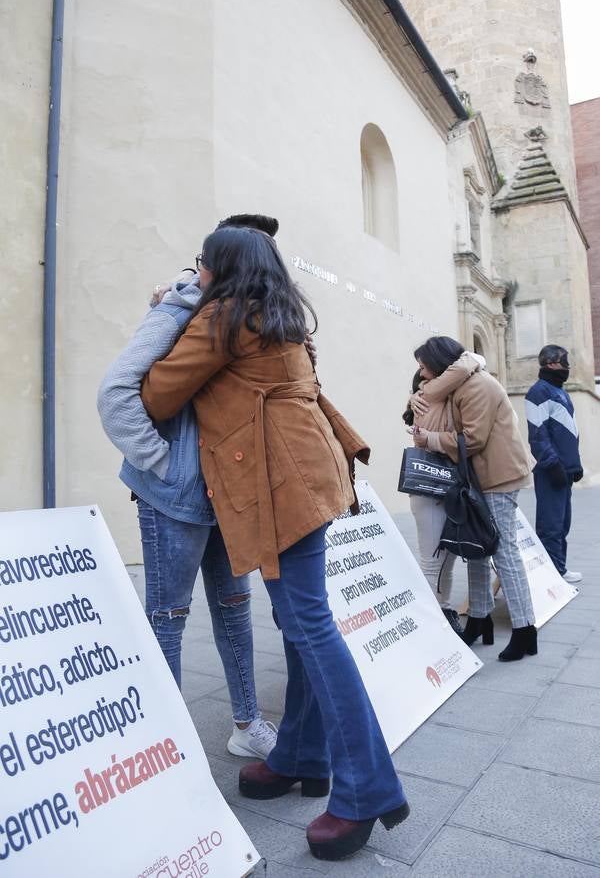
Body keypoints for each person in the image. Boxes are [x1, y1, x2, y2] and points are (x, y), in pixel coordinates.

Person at [140, 226, 409, 861]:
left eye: (201, 263)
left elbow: (156, 393)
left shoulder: (224, 317)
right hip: (311, 470)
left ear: (222, 270)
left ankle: (367, 788)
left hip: (283, 479)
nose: (196, 273)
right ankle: (302, 754)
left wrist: (167, 310)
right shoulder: (281, 311)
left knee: (309, 623)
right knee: (301, 621)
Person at [97, 214, 280, 760]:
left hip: (225, 492)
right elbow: (115, 392)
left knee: (233, 606)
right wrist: (162, 464)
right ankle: (167, 739)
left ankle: (247, 724)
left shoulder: (242, 316)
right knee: (169, 616)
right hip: (173, 496)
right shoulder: (178, 311)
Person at [410, 336, 538, 662]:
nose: (422, 373)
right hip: (480, 479)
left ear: (440, 364)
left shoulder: (477, 386)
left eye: (424, 366)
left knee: (503, 551)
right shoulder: (462, 384)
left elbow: (474, 439)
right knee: (477, 550)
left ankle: (525, 631)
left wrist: (432, 439)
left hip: (498, 477)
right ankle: (479, 619)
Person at [402, 346, 482, 635]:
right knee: (432, 561)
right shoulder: (428, 396)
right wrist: (477, 358)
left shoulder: (439, 395)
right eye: (420, 369)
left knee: (444, 559)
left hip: (443, 488)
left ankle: (444, 610)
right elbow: (464, 367)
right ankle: (431, 623)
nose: (422, 373)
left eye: (425, 366)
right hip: (429, 489)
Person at [525, 345, 583, 583]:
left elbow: (568, 431)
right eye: (564, 362)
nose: (567, 367)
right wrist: (553, 464)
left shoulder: (560, 391)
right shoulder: (538, 392)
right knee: (551, 525)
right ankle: (554, 574)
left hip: (564, 469)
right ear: (550, 364)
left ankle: (558, 567)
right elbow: (537, 435)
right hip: (551, 471)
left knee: (562, 523)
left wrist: (575, 465)